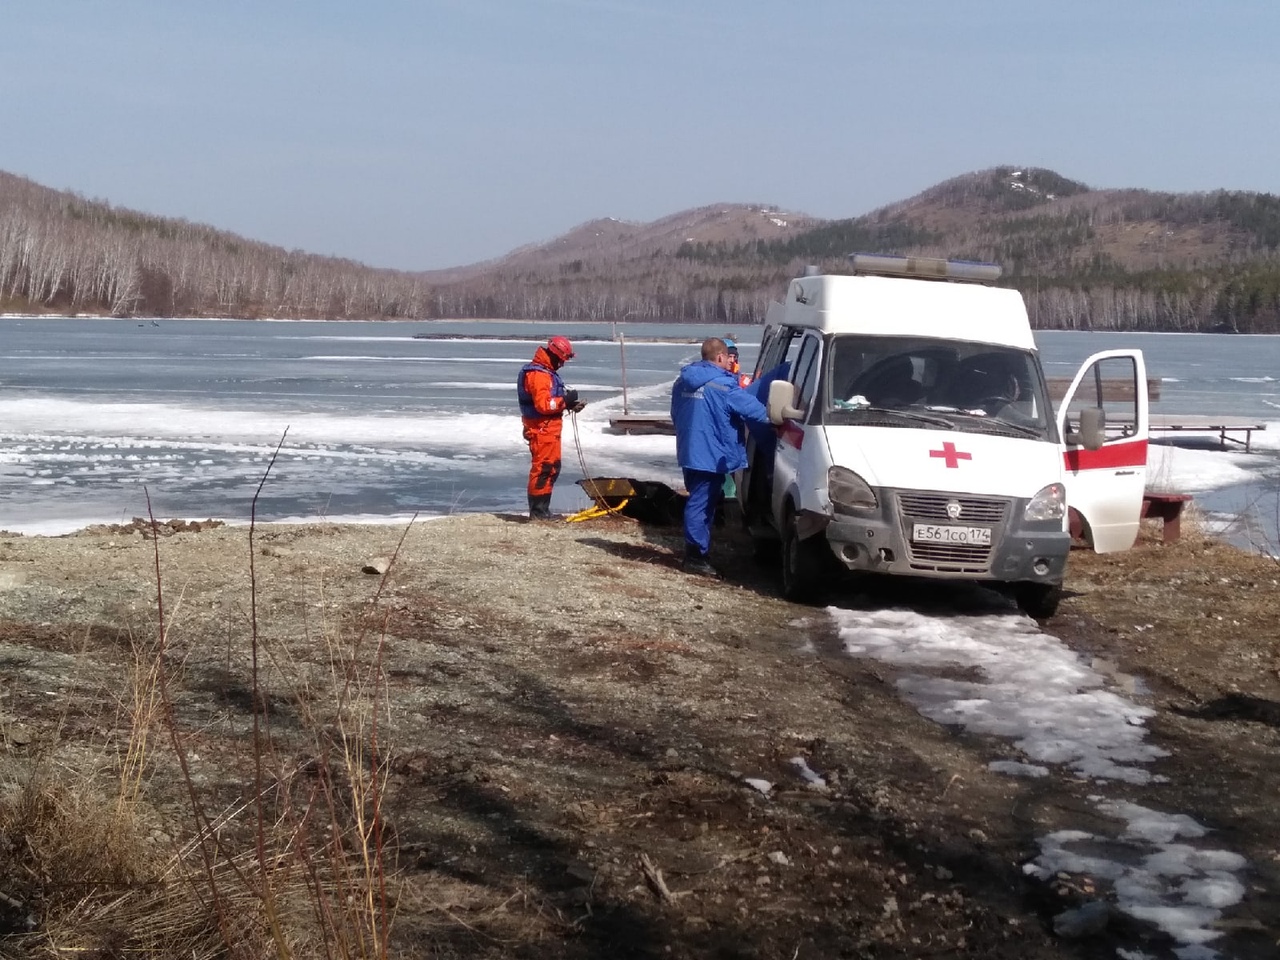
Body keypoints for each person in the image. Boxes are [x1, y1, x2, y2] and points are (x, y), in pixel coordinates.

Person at [670, 337, 770, 577]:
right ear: (720, 357)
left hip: (690, 450)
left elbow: (675, 412)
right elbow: (757, 412)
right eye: (728, 358)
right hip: (711, 454)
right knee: (701, 504)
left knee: (700, 500)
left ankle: (699, 550)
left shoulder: (682, 382)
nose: (730, 363)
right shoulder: (724, 386)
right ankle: (695, 556)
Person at [516, 336, 585, 519]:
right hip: (541, 430)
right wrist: (565, 400)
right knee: (543, 469)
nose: (562, 364)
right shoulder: (539, 375)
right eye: (562, 359)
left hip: (549, 430)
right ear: (555, 355)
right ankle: (538, 513)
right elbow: (543, 405)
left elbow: (550, 404)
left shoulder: (546, 372)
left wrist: (568, 405)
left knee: (552, 468)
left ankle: (543, 511)